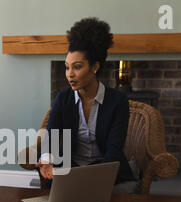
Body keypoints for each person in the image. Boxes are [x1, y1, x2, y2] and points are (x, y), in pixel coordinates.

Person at [37, 17, 137, 191]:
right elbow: (52, 134)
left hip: (105, 168)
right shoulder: (63, 99)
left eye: (77, 67)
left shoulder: (117, 101)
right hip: (71, 165)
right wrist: (46, 159)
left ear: (95, 67)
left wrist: (92, 179)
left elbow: (114, 150)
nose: (70, 74)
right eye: (67, 67)